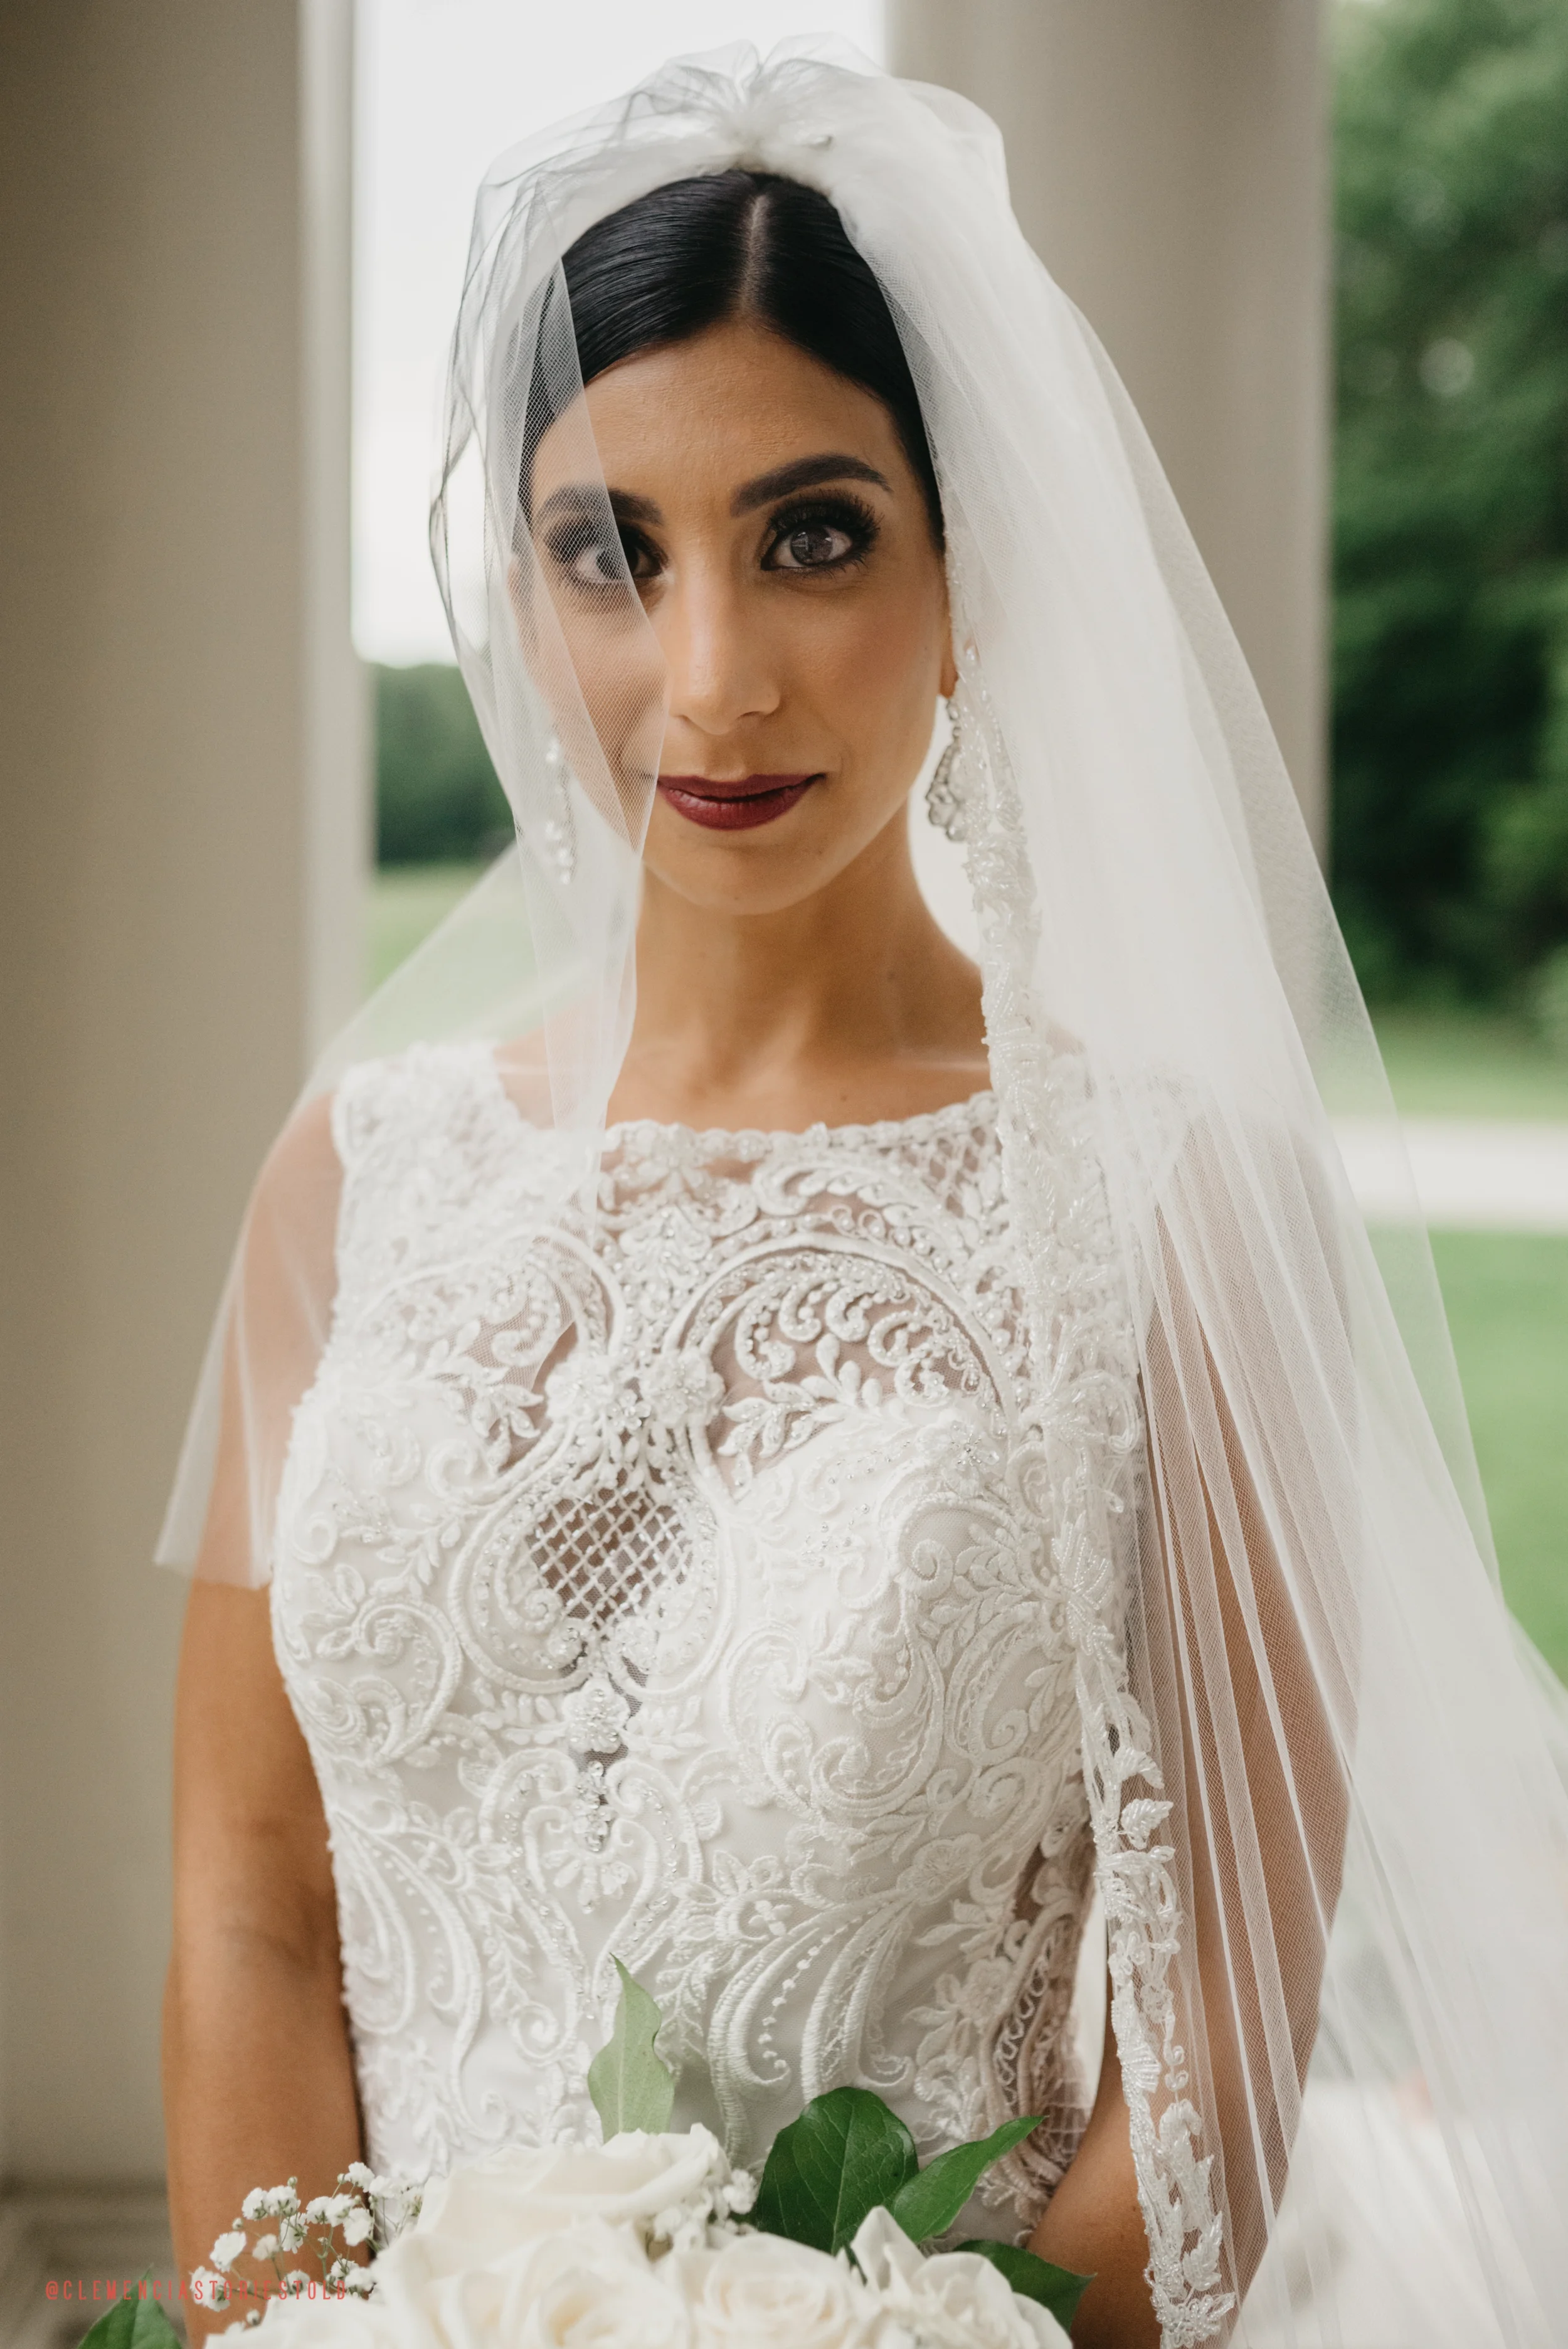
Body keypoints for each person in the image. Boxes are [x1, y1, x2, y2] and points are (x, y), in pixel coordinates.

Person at [159, 45, 1568, 2348]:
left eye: (811, 537)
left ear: (967, 564)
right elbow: (251, 1898)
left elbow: (1204, 2057)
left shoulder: (1168, 1220)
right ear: (521, 588)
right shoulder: (358, 1175)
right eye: (611, 551)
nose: (707, 682)